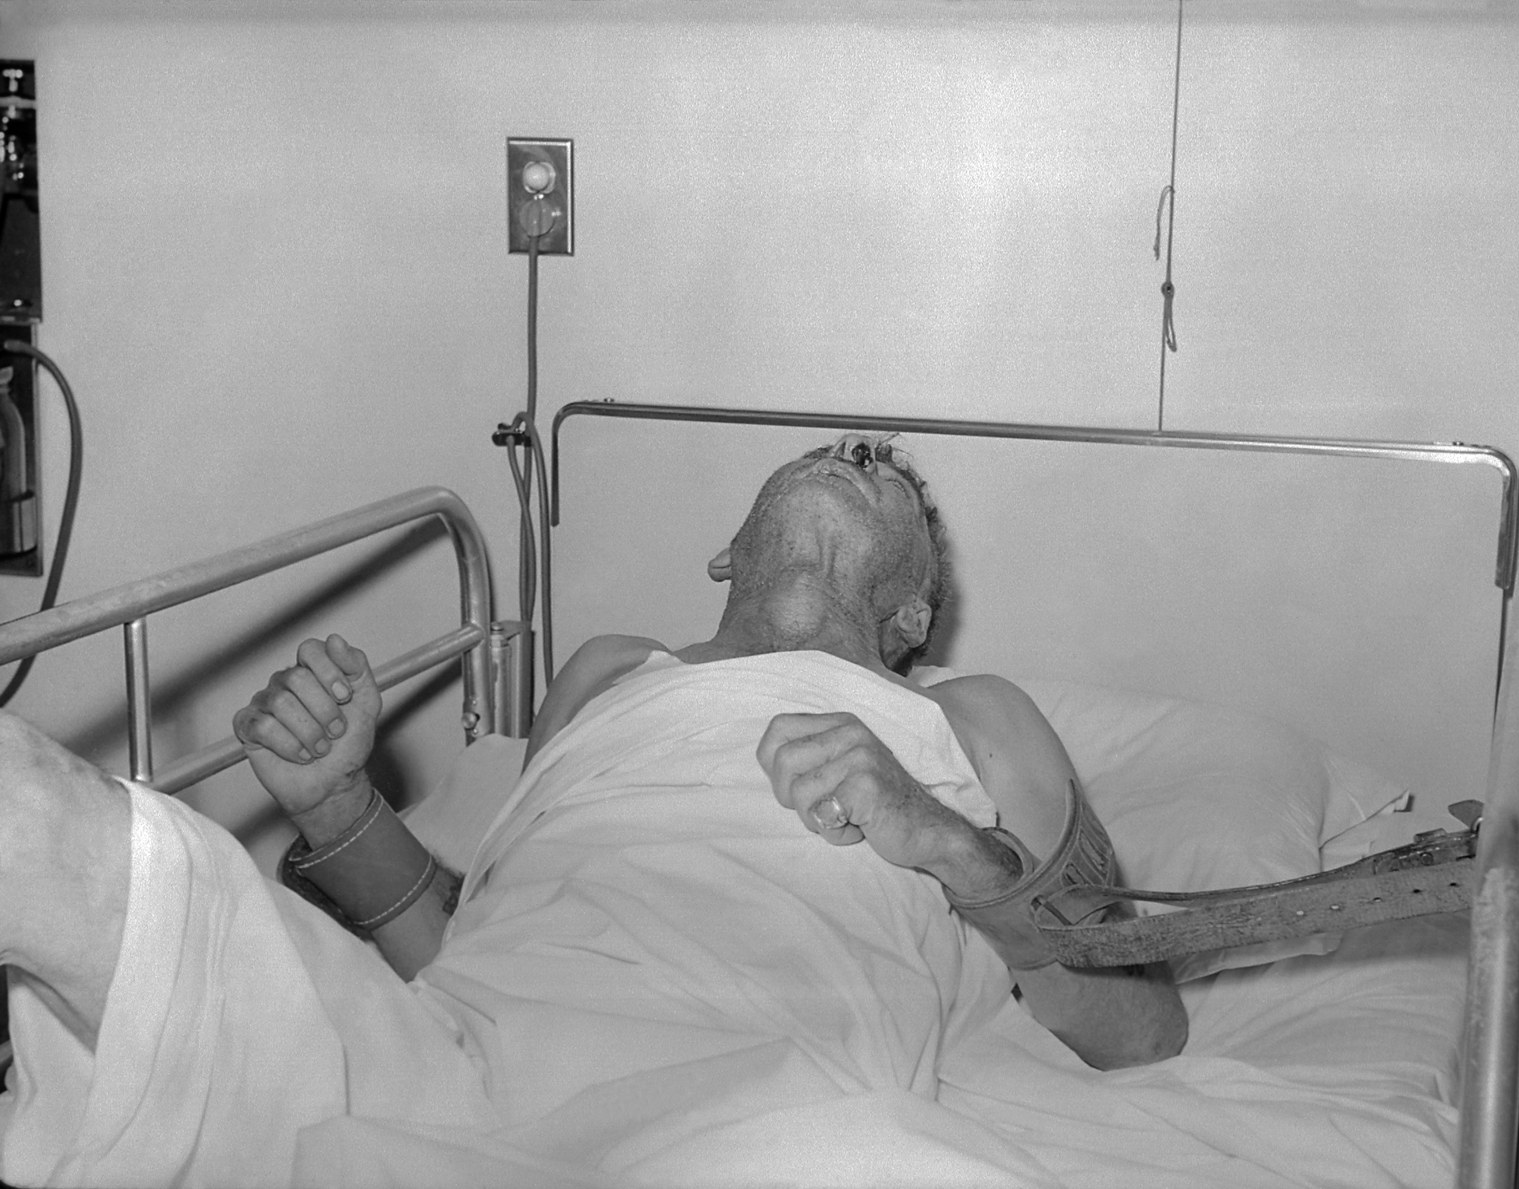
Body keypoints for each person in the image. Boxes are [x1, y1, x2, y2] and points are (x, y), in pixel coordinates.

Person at [0, 433, 1184, 1186]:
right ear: (727, 554)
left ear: (914, 615)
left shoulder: (969, 714)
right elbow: (472, 936)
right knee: (80, 837)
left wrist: (940, 836)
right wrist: (338, 806)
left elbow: (1141, 1029)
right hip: (455, 1072)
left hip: (769, 1111)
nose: (855, 450)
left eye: (886, 477)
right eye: (828, 454)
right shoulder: (612, 672)